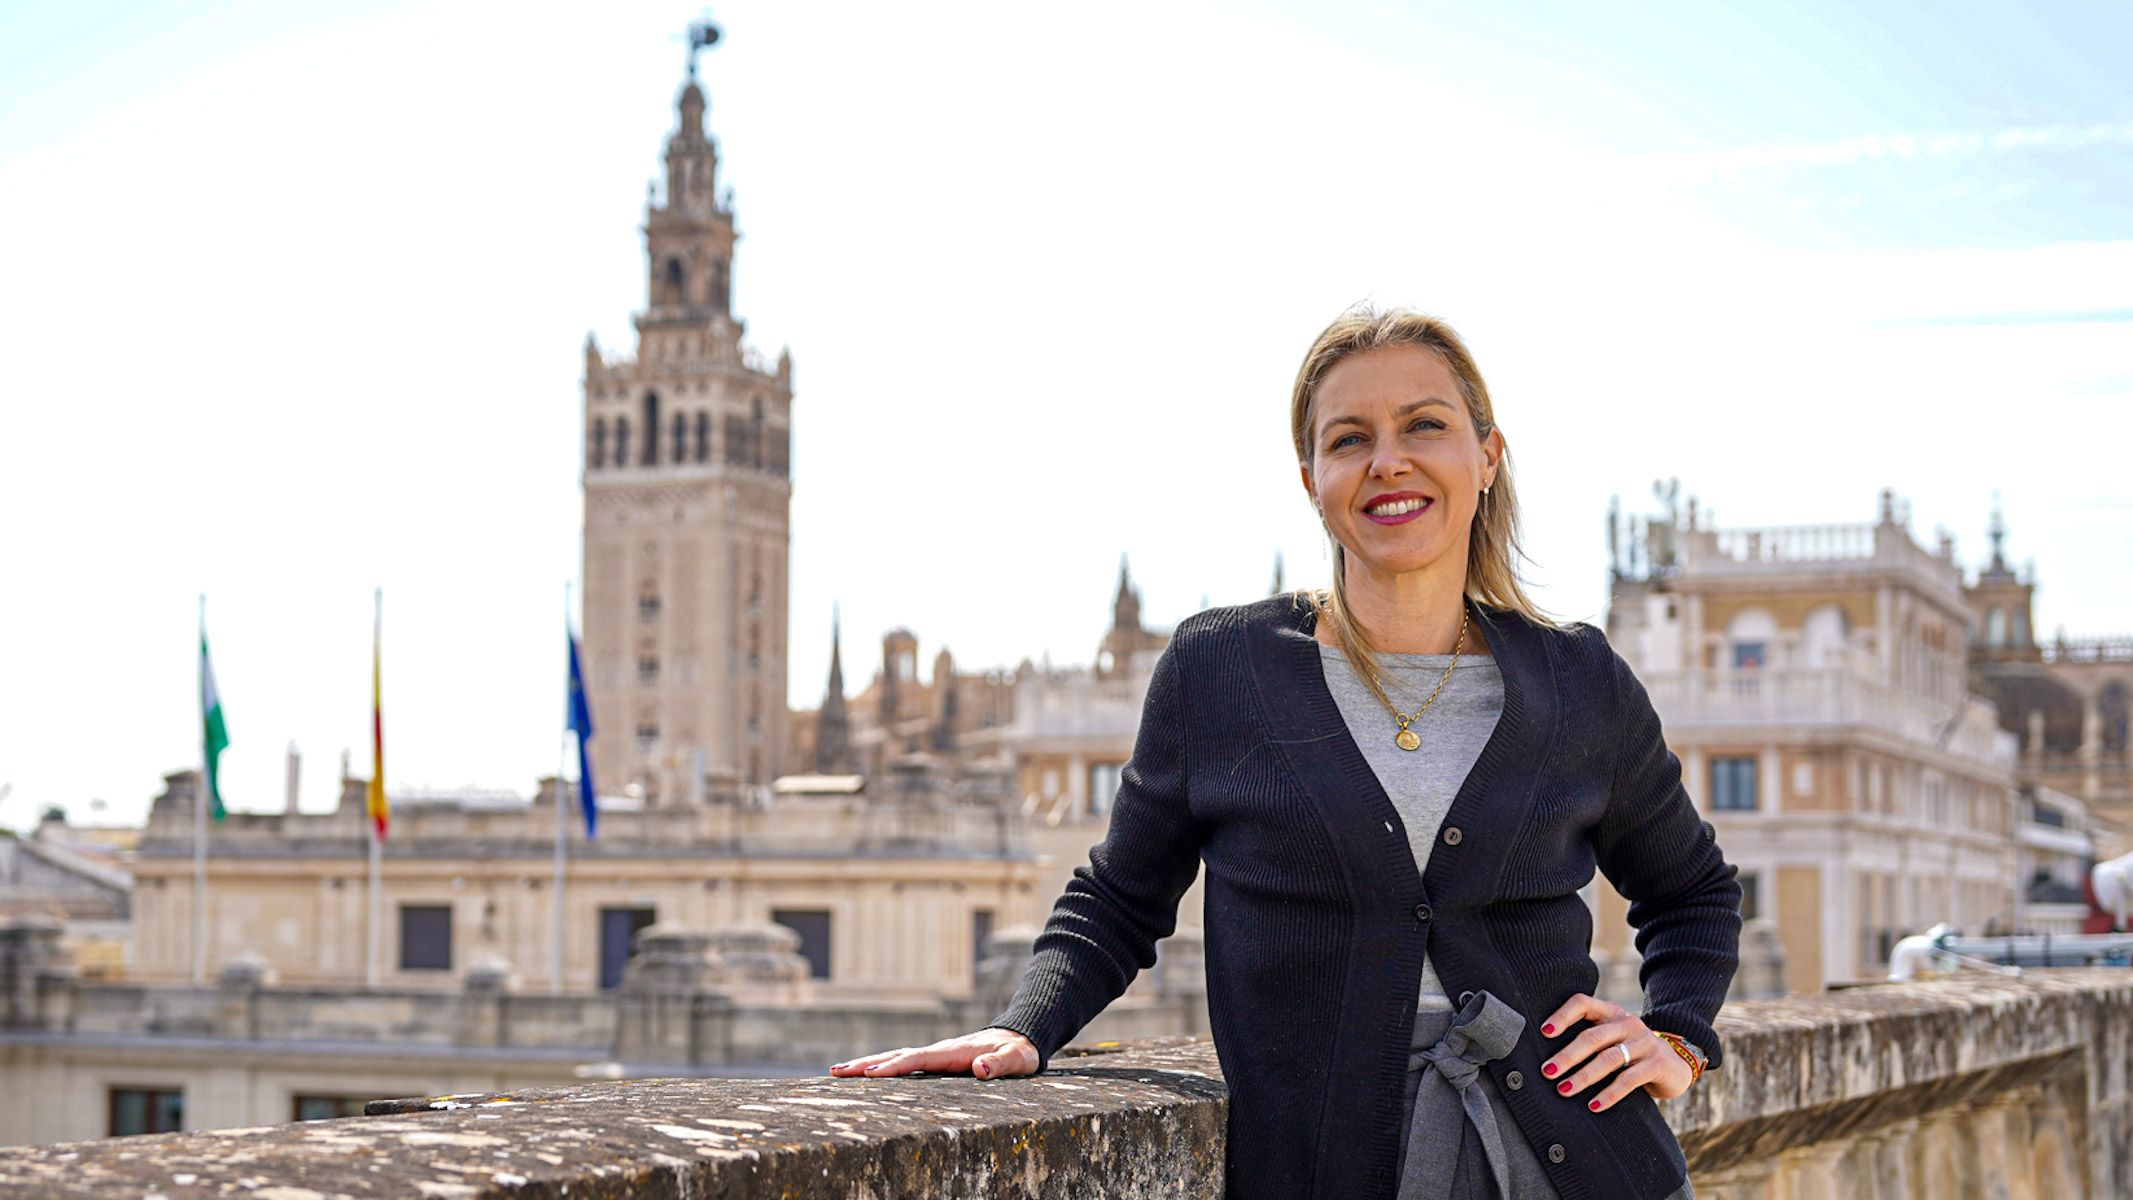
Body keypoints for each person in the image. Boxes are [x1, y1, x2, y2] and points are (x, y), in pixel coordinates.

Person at [831, 306, 1741, 1200]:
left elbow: (1692, 890)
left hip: (1574, 1159)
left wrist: (1678, 1036)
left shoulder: (1579, 680)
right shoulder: (1219, 670)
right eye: (1349, 439)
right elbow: (1120, 895)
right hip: (1318, 1162)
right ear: (1311, 478)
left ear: (1487, 457)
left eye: (1425, 424)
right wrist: (1024, 1027)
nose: (1388, 460)